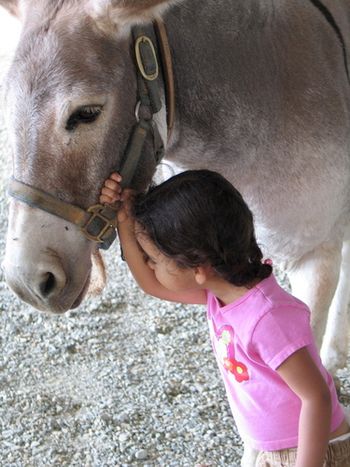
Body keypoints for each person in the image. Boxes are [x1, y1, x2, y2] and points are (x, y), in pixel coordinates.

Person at [100, 169, 350, 467]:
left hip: (310, 451)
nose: (150, 268)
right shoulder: (220, 296)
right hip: (277, 449)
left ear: (197, 268)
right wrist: (125, 220)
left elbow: (316, 398)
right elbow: (151, 285)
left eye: (154, 260)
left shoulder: (268, 318)